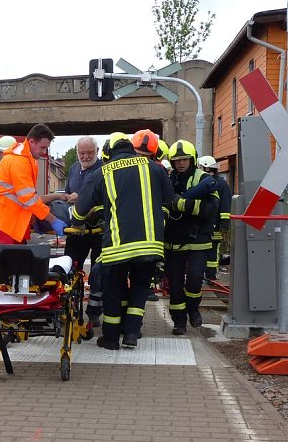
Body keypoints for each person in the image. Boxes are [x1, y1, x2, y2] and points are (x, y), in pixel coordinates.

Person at [72, 131, 174, 350]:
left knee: (113, 291)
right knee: (139, 288)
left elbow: (81, 209)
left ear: (108, 152)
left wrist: (77, 221)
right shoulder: (155, 169)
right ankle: (131, 334)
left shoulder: (103, 171)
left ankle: (110, 338)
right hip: (150, 244)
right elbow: (169, 201)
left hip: (117, 247)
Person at [0, 123, 67, 244]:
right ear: (31, 142)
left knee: (14, 258)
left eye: (46, 148)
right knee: (6, 259)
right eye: (42, 147)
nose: (44, 152)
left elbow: (27, 197)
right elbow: (28, 198)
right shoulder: (19, 161)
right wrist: (53, 220)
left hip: (3, 217)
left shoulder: (26, 159)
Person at [165, 140, 218, 335]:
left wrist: (182, 205)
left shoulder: (203, 179)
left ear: (192, 159)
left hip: (198, 240)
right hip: (174, 242)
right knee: (175, 284)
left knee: (195, 280)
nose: (180, 163)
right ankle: (179, 321)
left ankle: (193, 309)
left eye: (184, 159)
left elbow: (211, 209)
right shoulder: (168, 180)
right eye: (177, 160)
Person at [63, 136, 104, 323]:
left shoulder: (103, 169)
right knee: (70, 269)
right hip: (76, 230)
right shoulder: (73, 169)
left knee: (98, 272)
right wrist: (69, 197)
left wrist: (85, 198)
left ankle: (94, 313)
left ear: (97, 151)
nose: (85, 156)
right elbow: (67, 191)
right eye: (82, 153)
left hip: (98, 232)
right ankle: (70, 309)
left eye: (89, 153)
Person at [196, 155, 232, 282]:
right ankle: (206, 275)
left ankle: (210, 276)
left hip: (214, 225)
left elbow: (225, 204)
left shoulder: (218, 183)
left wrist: (224, 222)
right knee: (206, 250)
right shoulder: (214, 182)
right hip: (207, 223)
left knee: (212, 251)